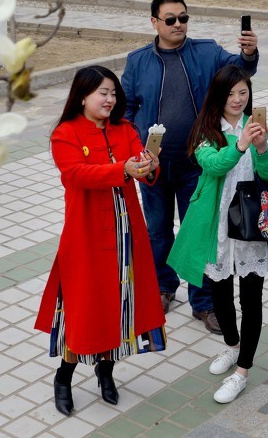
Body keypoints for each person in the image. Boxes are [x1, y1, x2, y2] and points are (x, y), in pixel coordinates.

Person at [122, 0, 259, 334]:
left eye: (183, 18)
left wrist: (249, 52)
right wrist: (134, 149)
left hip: (196, 163)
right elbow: (125, 109)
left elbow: (239, 70)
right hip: (152, 166)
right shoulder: (138, 61)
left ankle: (203, 302)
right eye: (171, 20)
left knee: (198, 232)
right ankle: (164, 287)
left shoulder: (207, 52)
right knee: (157, 232)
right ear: (154, 22)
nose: (179, 24)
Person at [33, 66, 167, 417]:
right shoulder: (65, 133)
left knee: (119, 305)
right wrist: (123, 169)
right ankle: (64, 377)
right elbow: (75, 174)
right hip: (86, 238)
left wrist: (149, 164)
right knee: (84, 310)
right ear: (82, 96)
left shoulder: (126, 129)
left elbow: (145, 170)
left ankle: (105, 372)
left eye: (113, 93)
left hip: (126, 235)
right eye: (102, 93)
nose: (109, 99)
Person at [168, 66, 268, 404]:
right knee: (220, 295)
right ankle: (232, 347)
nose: (238, 100)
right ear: (218, 97)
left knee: (251, 300)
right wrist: (240, 145)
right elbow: (213, 165)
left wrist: (264, 148)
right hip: (218, 226)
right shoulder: (206, 129)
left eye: (243, 92)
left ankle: (243, 371)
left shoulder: (257, 125)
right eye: (231, 94)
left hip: (252, 225)